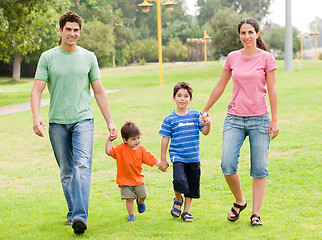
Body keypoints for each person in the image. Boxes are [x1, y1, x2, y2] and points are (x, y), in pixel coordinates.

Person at [30, 11, 117, 234]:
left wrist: (109, 122)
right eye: (68, 29)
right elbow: (37, 90)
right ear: (60, 31)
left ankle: (80, 216)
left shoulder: (89, 57)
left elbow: (99, 91)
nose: (72, 33)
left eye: (76, 30)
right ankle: (73, 213)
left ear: (80, 31)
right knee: (67, 171)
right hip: (57, 123)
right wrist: (36, 116)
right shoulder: (48, 57)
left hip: (83, 120)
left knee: (82, 166)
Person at [201, 17, 279, 226]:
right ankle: (240, 201)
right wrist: (206, 108)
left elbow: (272, 90)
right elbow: (220, 86)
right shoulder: (232, 58)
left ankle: (255, 214)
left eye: (250, 32)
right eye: (243, 33)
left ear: (257, 34)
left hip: (260, 119)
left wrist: (275, 120)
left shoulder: (267, 58)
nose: (247, 37)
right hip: (234, 118)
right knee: (227, 163)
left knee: (259, 168)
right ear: (239, 35)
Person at [159, 82, 211, 222]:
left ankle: (186, 211)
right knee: (179, 181)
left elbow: (205, 132)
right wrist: (163, 159)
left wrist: (208, 123)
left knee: (192, 185)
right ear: (173, 98)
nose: (182, 99)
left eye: (186, 96)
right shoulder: (170, 119)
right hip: (178, 157)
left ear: (191, 99)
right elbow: (165, 138)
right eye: (179, 95)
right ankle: (177, 198)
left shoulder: (196, 115)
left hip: (193, 157)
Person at [106, 121, 168, 221]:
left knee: (143, 195)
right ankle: (131, 215)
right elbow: (109, 151)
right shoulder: (120, 149)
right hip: (125, 180)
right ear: (125, 140)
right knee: (129, 199)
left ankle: (140, 202)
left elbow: (150, 158)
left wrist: (159, 164)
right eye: (133, 139)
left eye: (138, 138)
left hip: (138, 179)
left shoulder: (141, 149)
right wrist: (109, 141)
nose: (137, 141)